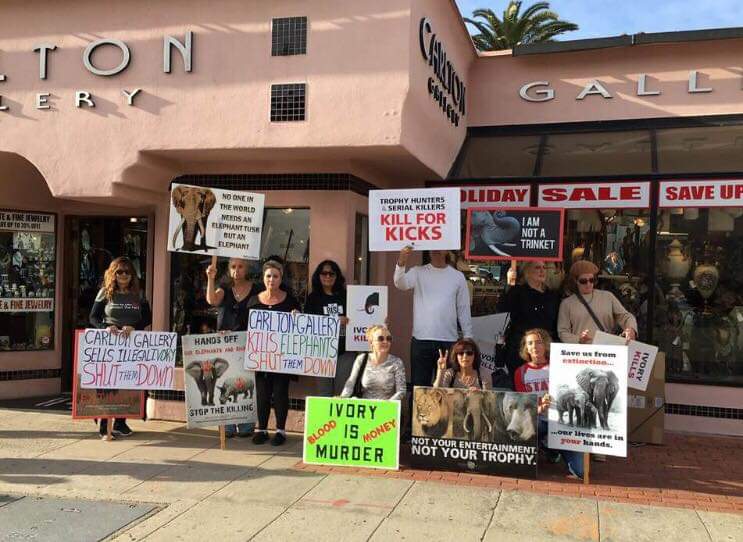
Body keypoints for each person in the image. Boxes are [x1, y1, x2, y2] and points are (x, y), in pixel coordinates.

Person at [394, 246, 473, 394]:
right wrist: (401, 262)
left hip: (449, 340)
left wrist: (468, 336)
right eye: (433, 247)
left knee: (446, 388)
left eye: (440, 247)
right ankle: (417, 418)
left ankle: (443, 417)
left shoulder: (457, 277)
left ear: (447, 250)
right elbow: (400, 283)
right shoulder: (418, 271)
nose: (436, 250)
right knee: (420, 388)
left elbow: (463, 308)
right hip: (421, 339)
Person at [89, 256, 151, 440]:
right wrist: (105, 328)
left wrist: (135, 327)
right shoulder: (105, 293)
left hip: (132, 344)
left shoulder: (139, 294)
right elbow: (93, 317)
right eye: (119, 272)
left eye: (127, 272)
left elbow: (147, 318)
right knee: (108, 383)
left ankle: (121, 422)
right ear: (113, 274)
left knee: (127, 382)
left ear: (133, 275)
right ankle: (104, 425)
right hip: (109, 344)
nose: (123, 275)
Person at [513, 328, 583, 480]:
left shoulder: (559, 366)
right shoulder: (520, 372)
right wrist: (539, 408)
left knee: (580, 472)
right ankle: (545, 447)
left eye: (538, 342)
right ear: (526, 348)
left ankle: (553, 448)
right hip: (537, 419)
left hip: (560, 421)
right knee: (525, 426)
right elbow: (524, 406)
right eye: (530, 343)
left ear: (546, 345)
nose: (534, 346)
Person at [246, 260, 301, 446]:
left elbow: (300, 328)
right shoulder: (254, 301)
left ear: (281, 278)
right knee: (261, 393)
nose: (271, 279)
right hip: (260, 357)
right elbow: (245, 327)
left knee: (280, 393)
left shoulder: (290, 300)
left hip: (282, 358)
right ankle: (261, 429)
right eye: (268, 276)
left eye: (275, 276)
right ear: (263, 278)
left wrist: (297, 317)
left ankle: (280, 430)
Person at [205, 257, 261, 438]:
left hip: (248, 344)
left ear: (247, 268)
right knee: (226, 383)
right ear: (229, 270)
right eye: (233, 267)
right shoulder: (225, 289)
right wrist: (210, 278)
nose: (237, 270)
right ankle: (228, 426)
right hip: (226, 345)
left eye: (241, 266)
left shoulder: (256, 289)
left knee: (245, 384)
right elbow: (212, 300)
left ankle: (246, 426)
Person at [498, 260, 561, 385]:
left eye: (544, 267)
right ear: (527, 271)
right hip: (520, 350)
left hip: (546, 351)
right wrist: (510, 284)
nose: (542, 270)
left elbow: (556, 323)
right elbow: (502, 310)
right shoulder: (517, 292)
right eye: (537, 267)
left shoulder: (553, 295)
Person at [557, 260, 638, 345]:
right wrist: (578, 339)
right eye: (583, 281)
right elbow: (562, 332)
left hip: (607, 349)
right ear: (576, 281)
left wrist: (631, 329)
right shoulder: (567, 304)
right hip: (581, 352)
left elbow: (625, 316)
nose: (588, 284)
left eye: (591, 280)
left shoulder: (607, 296)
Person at [304, 260, 352, 396]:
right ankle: (325, 419)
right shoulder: (313, 298)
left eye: (332, 273)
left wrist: (379, 319)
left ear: (337, 276)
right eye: (324, 273)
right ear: (318, 276)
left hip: (345, 352)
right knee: (324, 393)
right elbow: (308, 324)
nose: (328, 276)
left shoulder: (347, 296)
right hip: (321, 352)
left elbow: (360, 317)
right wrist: (335, 321)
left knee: (342, 393)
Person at [341, 325, 406, 400]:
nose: (385, 341)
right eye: (380, 339)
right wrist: (342, 400)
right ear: (371, 342)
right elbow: (350, 384)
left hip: (385, 408)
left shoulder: (396, 362)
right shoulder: (361, 359)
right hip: (364, 407)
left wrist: (388, 405)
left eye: (388, 339)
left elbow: (401, 391)